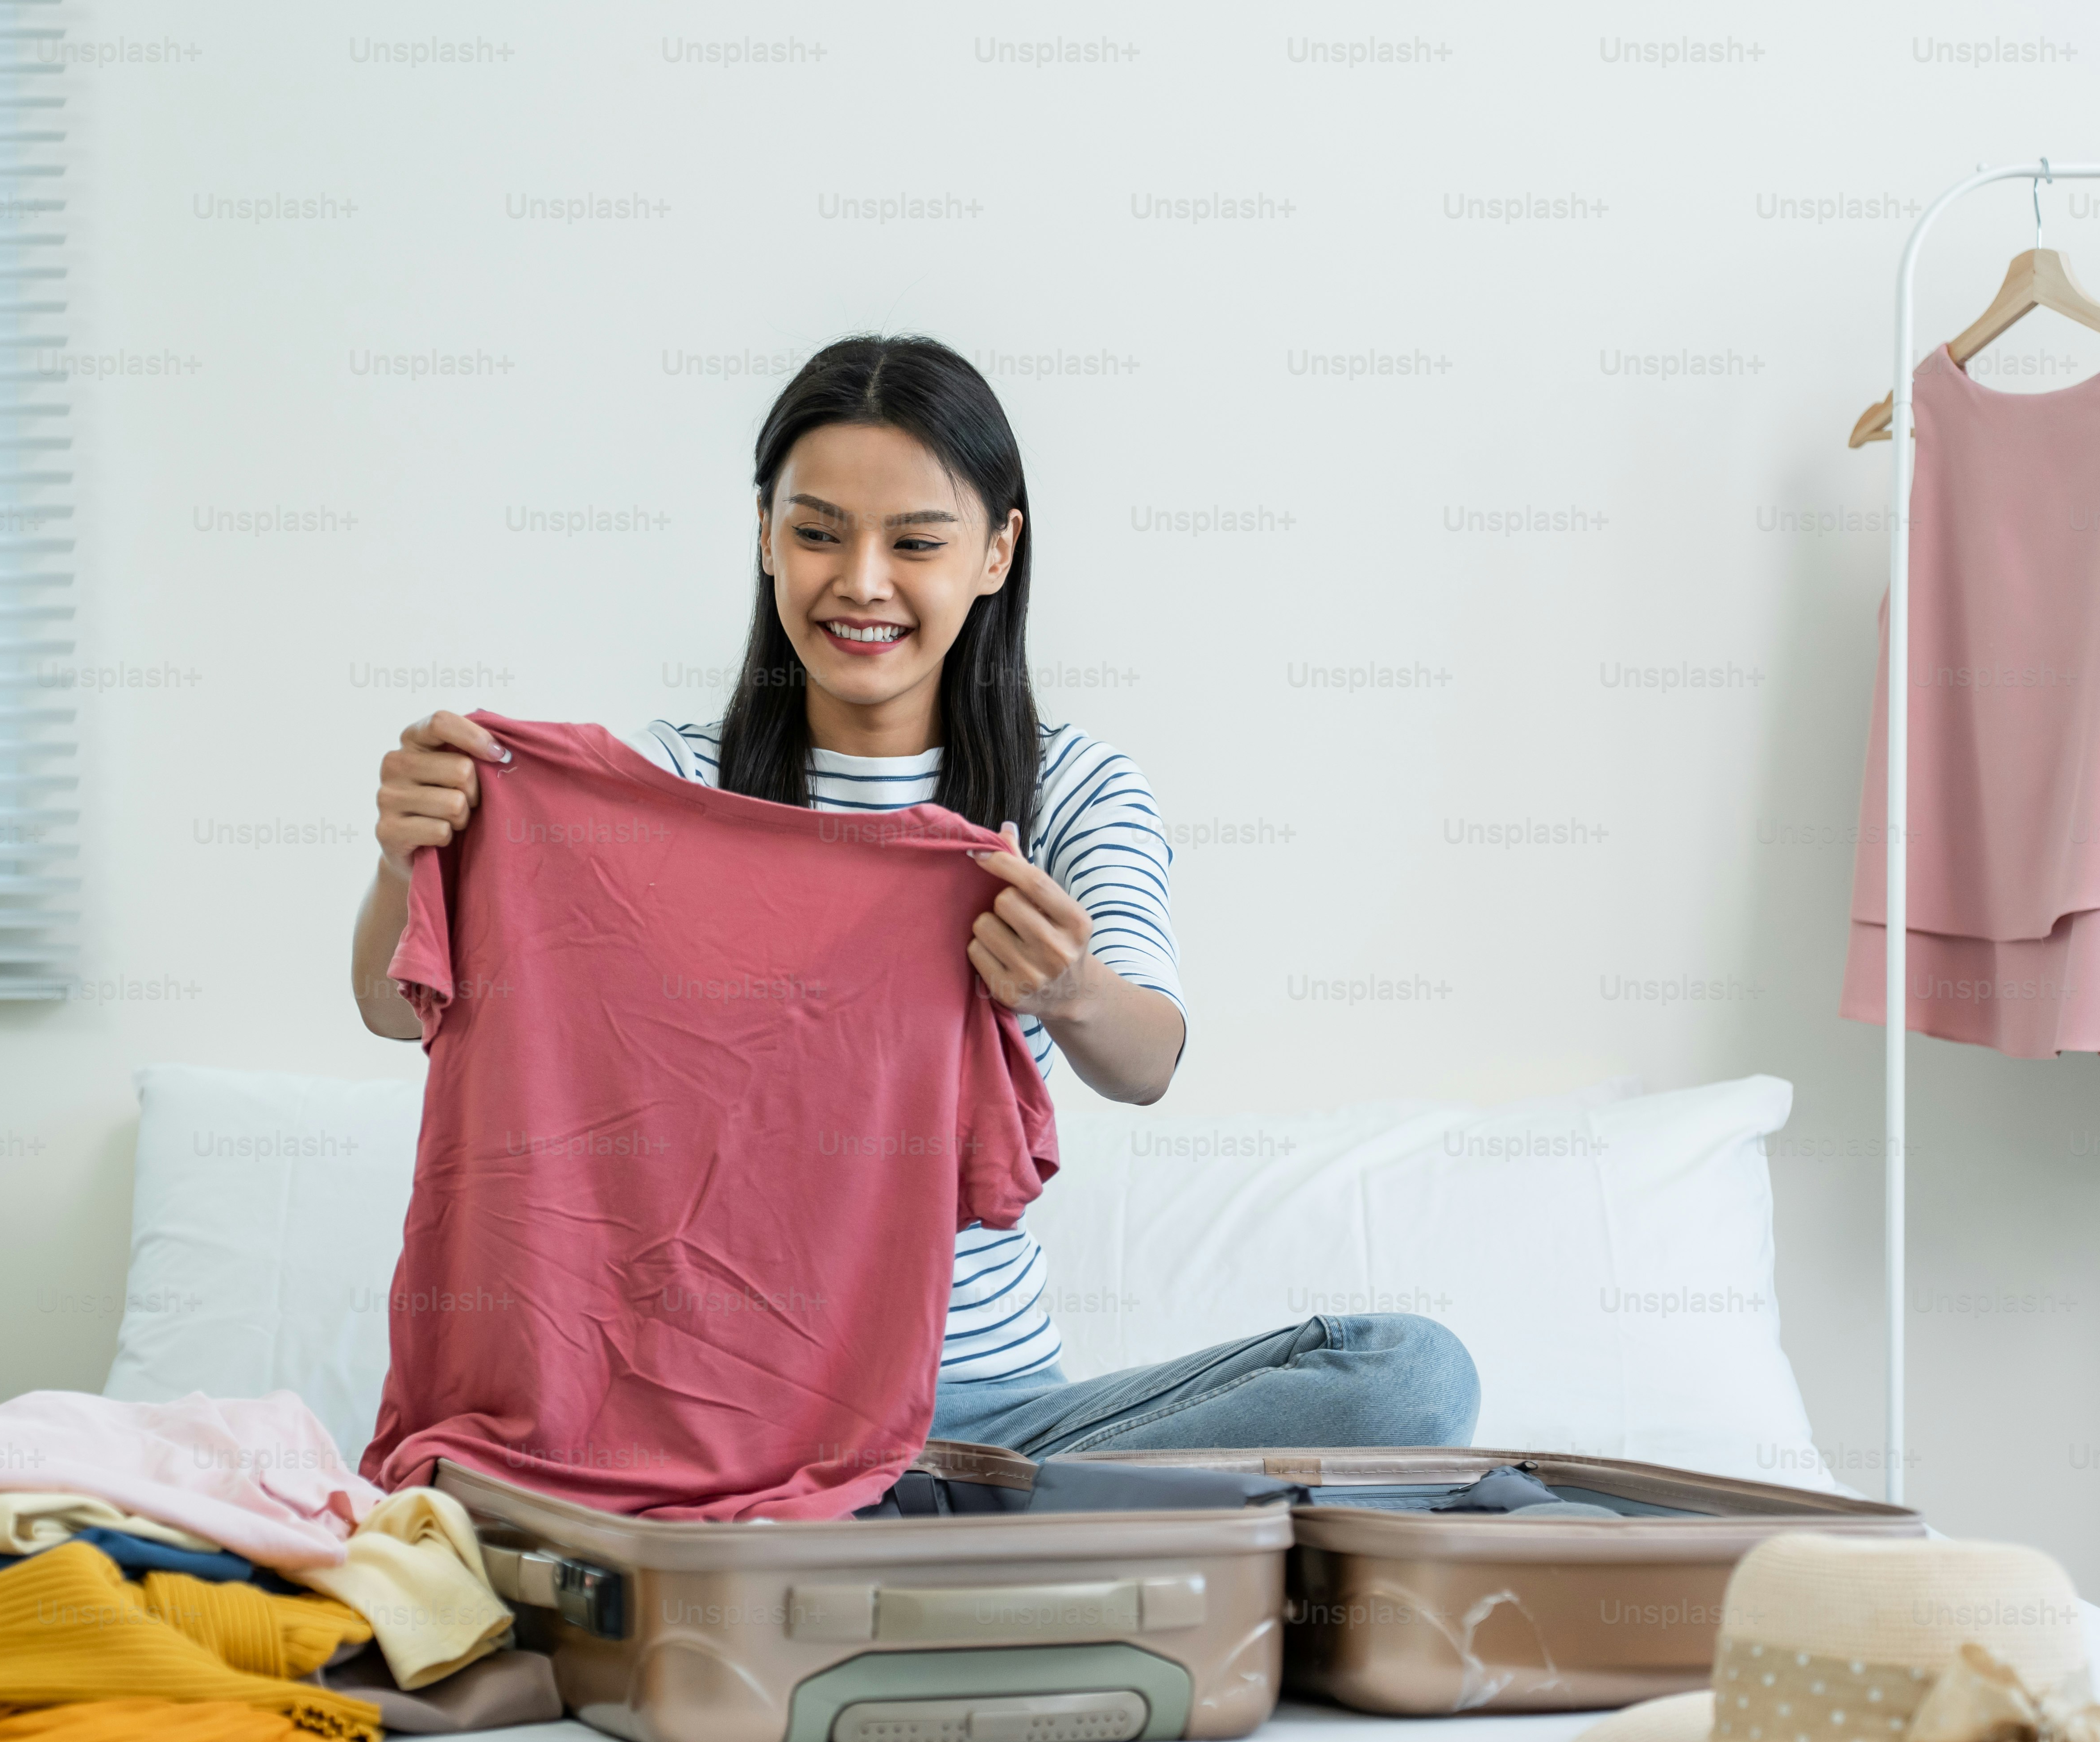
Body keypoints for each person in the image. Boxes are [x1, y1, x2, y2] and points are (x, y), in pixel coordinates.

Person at [350, 334, 1476, 1457]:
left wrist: (1071, 988)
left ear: (996, 552)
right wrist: (411, 861)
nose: (864, 581)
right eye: (818, 533)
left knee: (1411, 1377)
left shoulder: (1073, 787)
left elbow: (1147, 1061)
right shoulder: (673, 786)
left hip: (996, 1422)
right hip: (730, 1405)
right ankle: (920, 1523)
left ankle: (917, 1509)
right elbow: (404, 1009)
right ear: (764, 537)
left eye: (917, 541)